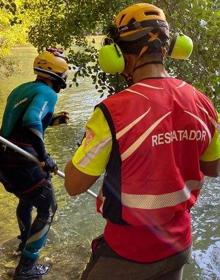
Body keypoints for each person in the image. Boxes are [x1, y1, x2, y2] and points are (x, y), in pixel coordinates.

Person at [64, 3, 220, 280]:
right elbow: (213, 168)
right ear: (170, 48)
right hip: (179, 245)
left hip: (128, 254)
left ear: (119, 55)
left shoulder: (113, 111)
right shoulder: (203, 102)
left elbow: (74, 185)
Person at [0, 48, 69, 279]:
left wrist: (53, 120)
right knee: (48, 207)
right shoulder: (48, 93)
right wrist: (43, 157)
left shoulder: (23, 88)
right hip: (23, 162)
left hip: (5, 160)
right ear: (58, 74)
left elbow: (20, 123)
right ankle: (27, 268)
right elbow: (31, 120)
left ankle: (23, 244)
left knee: (26, 199)